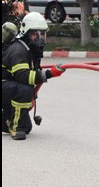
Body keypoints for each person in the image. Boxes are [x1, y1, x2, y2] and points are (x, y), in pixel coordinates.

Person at [2, 12, 66, 140]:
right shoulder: (18, 50)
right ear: (26, 33)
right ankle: (15, 128)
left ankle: (6, 121)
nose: (40, 39)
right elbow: (24, 76)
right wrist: (49, 74)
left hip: (9, 87)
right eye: (35, 35)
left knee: (27, 127)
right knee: (24, 90)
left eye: (42, 35)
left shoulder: (30, 50)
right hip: (5, 85)